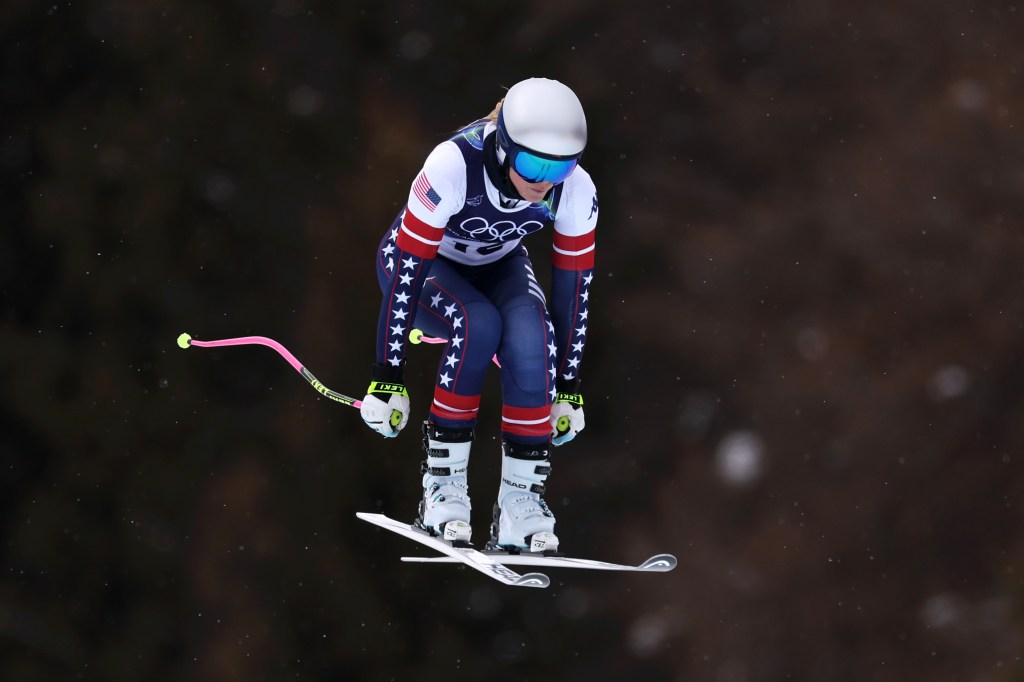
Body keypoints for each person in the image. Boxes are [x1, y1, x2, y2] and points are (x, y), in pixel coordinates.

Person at [359, 77, 597, 554]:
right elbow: (408, 272)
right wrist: (387, 377)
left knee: (532, 336)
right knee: (478, 324)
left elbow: (574, 292)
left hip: (498, 265)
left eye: (561, 166)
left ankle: (520, 505)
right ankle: (442, 490)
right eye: (533, 164)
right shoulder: (452, 166)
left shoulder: (575, 190)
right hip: (421, 268)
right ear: (505, 147)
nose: (544, 181)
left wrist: (568, 387)